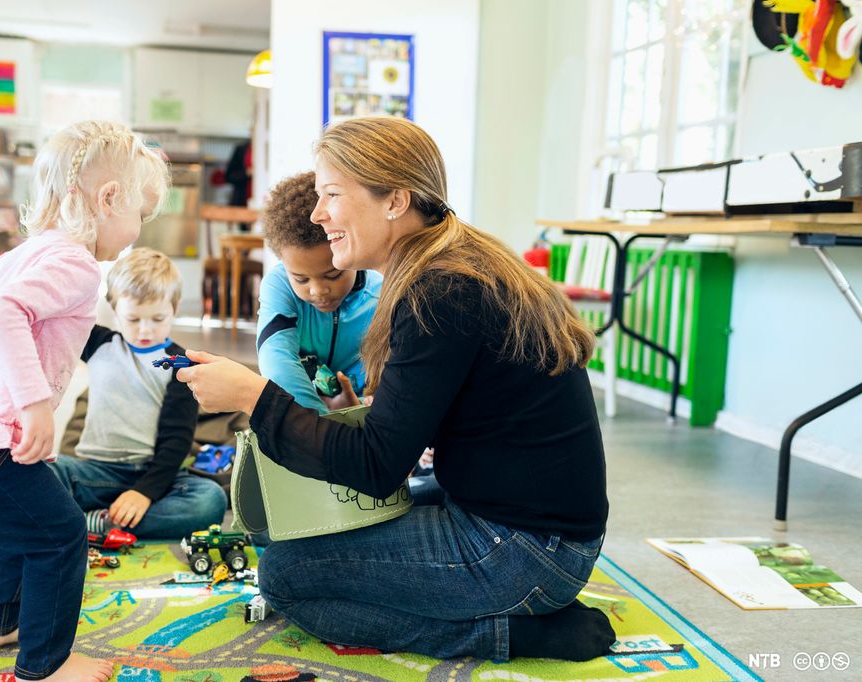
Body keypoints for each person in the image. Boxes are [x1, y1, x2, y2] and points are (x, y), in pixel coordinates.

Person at [175, 116, 615, 663]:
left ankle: (510, 633)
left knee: (286, 575)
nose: (318, 215)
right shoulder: (450, 264)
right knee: (299, 531)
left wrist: (251, 397)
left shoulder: (440, 290)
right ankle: (512, 609)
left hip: (527, 551)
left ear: (395, 201)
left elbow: (377, 466)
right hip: (526, 528)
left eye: (331, 195)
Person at [0, 121, 169, 682]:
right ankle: (46, 664)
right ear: (108, 199)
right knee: (61, 533)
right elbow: (3, 316)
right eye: (140, 216)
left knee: (28, 521)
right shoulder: (75, 264)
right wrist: (34, 406)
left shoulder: (17, 257)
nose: (139, 230)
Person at [50, 247, 227, 540]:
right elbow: (60, 319)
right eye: (133, 319)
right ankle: (100, 520)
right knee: (41, 472)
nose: (145, 330)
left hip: (153, 476)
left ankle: (95, 525)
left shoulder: (181, 365)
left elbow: (177, 440)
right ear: (113, 307)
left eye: (158, 319)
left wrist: (144, 492)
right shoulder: (98, 344)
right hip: (93, 473)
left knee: (210, 500)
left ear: (175, 306)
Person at [257, 170, 381, 413]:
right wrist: (321, 424)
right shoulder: (278, 284)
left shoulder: (380, 294)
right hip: (304, 417)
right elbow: (277, 363)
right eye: (301, 279)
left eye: (333, 275)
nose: (317, 290)